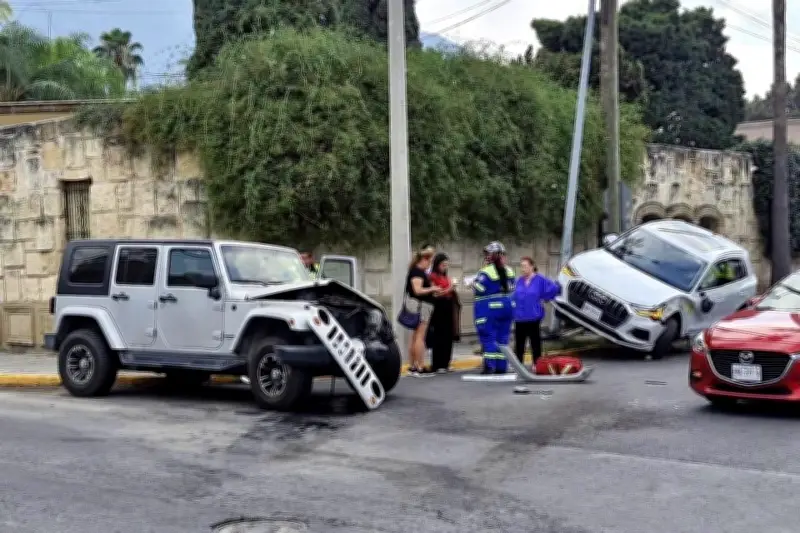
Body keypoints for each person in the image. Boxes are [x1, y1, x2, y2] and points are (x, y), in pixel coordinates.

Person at [472, 241, 515, 374]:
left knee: (488, 337)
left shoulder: (485, 272)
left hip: (489, 309)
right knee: (503, 338)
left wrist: (472, 283)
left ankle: (489, 366)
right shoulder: (510, 271)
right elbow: (511, 287)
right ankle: (501, 367)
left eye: (488, 253)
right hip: (507, 307)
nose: (486, 256)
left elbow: (481, 289)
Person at [513, 257, 561, 367]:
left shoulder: (540, 280)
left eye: (525, 266)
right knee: (519, 343)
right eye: (522, 266)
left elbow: (554, 288)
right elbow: (513, 294)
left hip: (533, 317)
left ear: (532, 266)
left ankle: (537, 364)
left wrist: (546, 297)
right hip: (520, 317)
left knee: (535, 342)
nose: (523, 269)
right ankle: (519, 365)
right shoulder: (519, 281)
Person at [405, 247, 441, 377]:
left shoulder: (415, 271)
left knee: (415, 337)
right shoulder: (418, 273)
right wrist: (432, 288)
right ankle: (420, 366)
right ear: (424, 260)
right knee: (420, 337)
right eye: (429, 262)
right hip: (422, 307)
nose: (430, 265)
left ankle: (413, 366)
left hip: (419, 306)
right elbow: (418, 290)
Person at [426, 253, 462, 373]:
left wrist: (451, 289)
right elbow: (435, 294)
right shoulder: (433, 277)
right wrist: (449, 289)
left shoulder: (445, 277)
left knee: (448, 336)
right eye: (443, 265)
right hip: (439, 307)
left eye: (446, 265)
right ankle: (437, 364)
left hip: (448, 306)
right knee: (439, 336)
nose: (445, 267)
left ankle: (446, 363)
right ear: (437, 264)